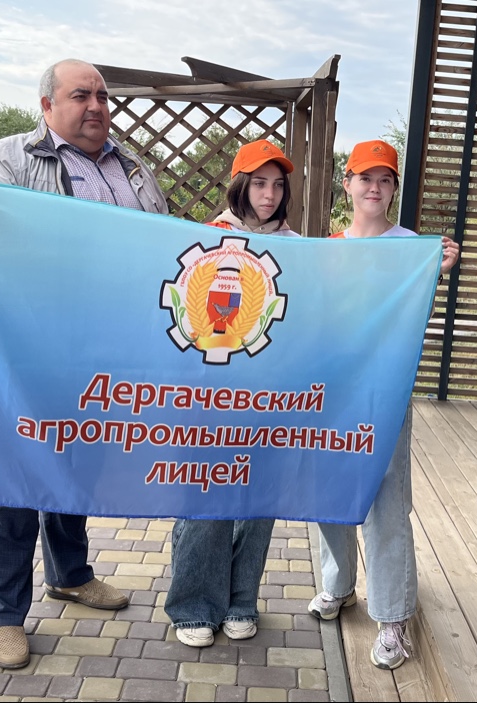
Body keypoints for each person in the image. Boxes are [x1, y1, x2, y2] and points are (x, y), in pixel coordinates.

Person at [0, 58, 169, 670]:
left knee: (77, 461)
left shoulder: (132, 167)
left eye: (102, 96)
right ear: (47, 106)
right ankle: (5, 616)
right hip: (30, 349)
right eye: (80, 95)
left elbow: (164, 240)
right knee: (16, 476)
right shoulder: (9, 158)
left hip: (106, 349)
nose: (96, 106)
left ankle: (70, 574)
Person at [308, 139, 459, 670]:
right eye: (365, 177)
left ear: (394, 189)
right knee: (329, 489)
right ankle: (338, 585)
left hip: (384, 388)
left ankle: (393, 616)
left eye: (385, 179)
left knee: (386, 496)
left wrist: (437, 269)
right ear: (347, 183)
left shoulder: (411, 247)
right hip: (332, 389)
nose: (375, 187)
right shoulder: (327, 248)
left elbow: (413, 316)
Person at [164, 139, 301, 648]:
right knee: (208, 497)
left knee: (259, 500)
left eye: (278, 185)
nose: (269, 194)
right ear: (240, 185)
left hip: (270, 395)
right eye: (259, 183)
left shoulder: (298, 247)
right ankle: (194, 605)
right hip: (211, 395)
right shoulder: (207, 239)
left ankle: (242, 599)